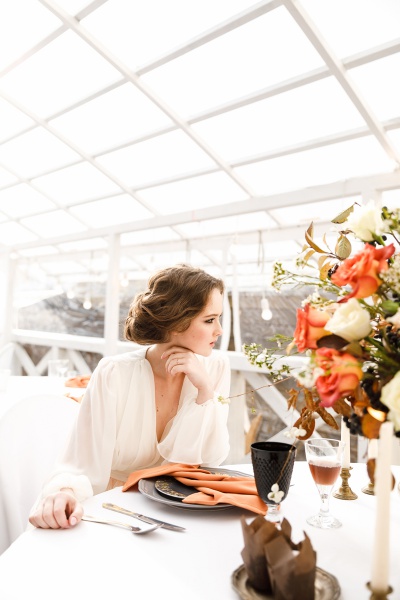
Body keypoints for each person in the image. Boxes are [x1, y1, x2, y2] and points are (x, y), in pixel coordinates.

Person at [29, 264, 231, 530]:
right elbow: (81, 463)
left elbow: (211, 459)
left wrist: (204, 391)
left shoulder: (215, 368)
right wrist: (65, 492)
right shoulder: (114, 373)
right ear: (176, 322)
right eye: (209, 320)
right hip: (114, 510)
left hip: (183, 509)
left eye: (218, 319)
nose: (219, 330)